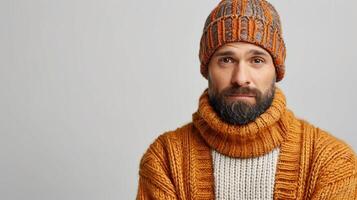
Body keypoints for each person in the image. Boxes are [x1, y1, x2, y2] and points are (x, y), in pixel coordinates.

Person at [136, 0, 357, 199]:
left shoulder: (330, 162)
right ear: (207, 69)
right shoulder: (165, 160)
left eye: (257, 60)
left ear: (276, 71)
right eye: (227, 60)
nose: (241, 78)